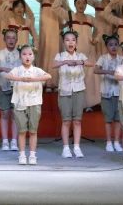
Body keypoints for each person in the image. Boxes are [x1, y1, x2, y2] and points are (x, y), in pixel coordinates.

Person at [5, 45, 51, 165]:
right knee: (22, 131)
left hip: (34, 103)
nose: (27, 57)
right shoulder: (17, 69)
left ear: (34, 56)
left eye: (30, 54)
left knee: (33, 131)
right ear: (20, 56)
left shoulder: (37, 70)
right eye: (24, 54)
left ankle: (32, 155)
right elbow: (8, 76)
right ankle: (21, 155)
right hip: (19, 103)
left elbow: (48, 76)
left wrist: (34, 79)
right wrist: (21, 79)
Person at [58, 0, 103, 108]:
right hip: (74, 52)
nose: (81, 5)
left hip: (89, 50)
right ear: (74, 4)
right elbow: (55, 8)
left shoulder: (90, 18)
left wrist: (96, 39)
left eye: (83, 3)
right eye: (78, 2)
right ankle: (74, 104)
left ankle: (91, 103)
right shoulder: (70, 15)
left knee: (89, 77)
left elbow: (101, 29)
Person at [53, 29, 92, 159]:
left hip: (79, 90)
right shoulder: (60, 55)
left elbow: (91, 63)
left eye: (73, 40)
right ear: (63, 42)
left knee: (77, 121)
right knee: (66, 121)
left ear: (76, 43)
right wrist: (65, 62)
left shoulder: (80, 55)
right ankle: (65, 148)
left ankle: (76, 147)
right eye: (67, 40)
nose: (70, 42)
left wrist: (80, 62)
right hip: (64, 91)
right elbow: (53, 65)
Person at [0, 28, 21, 152]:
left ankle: (14, 141)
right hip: (3, 86)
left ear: (17, 40)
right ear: (4, 39)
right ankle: (4, 141)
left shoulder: (21, 53)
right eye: (8, 38)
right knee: (5, 113)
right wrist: (4, 68)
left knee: (15, 114)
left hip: (17, 87)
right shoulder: (0, 53)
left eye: (13, 38)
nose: (11, 40)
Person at [94, 35, 123, 152]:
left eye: (116, 45)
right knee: (108, 119)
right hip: (106, 93)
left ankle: (116, 142)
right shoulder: (103, 58)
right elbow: (96, 70)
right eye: (111, 45)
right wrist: (109, 72)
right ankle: (108, 142)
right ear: (106, 46)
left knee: (118, 119)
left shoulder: (122, 59)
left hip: (119, 93)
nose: (113, 47)